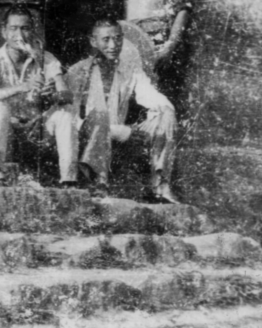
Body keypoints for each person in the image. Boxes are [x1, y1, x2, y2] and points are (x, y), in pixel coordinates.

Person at [68, 20, 179, 203]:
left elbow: (149, 94)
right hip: (87, 136)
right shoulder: (78, 71)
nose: (113, 45)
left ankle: (160, 185)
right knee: (99, 117)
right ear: (93, 41)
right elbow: (69, 117)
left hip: (118, 134)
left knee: (165, 115)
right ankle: (98, 183)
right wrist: (112, 130)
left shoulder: (129, 70)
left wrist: (167, 109)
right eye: (106, 39)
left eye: (118, 39)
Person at [0, 6, 78, 187]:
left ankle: (69, 180)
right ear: (3, 31)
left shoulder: (46, 58)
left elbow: (67, 95)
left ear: (32, 30)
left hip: (36, 128)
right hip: (5, 131)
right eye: (13, 29)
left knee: (65, 112)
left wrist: (54, 94)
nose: (19, 35)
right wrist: (21, 87)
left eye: (25, 28)